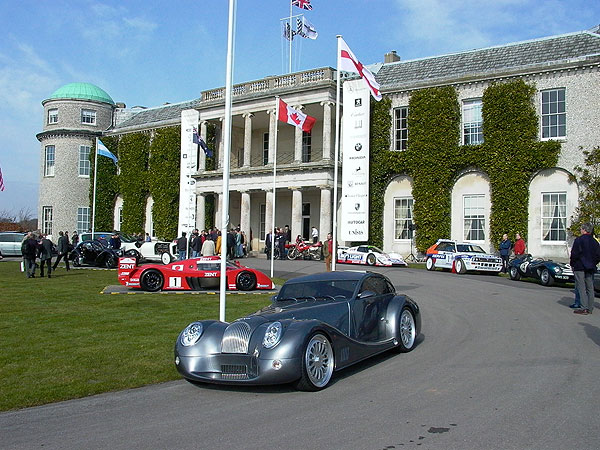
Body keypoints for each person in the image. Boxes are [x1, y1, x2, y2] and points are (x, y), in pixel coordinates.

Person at [570, 222, 600, 315]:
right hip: (590, 266)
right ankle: (590, 308)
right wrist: (593, 263)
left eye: (581, 229)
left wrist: (572, 264)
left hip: (580, 265)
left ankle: (583, 307)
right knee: (590, 287)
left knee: (581, 287)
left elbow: (574, 254)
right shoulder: (595, 242)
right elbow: (598, 255)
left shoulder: (579, 240)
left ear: (584, 230)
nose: (580, 230)